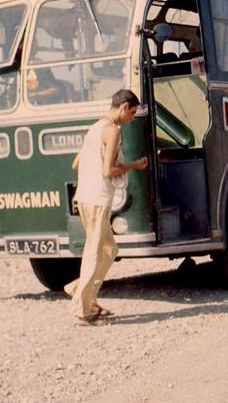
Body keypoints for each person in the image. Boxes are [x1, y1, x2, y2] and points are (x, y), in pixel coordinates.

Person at [65, 89, 149, 326]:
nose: (132, 118)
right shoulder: (112, 130)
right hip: (97, 198)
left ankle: (81, 291)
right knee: (94, 250)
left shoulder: (95, 128)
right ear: (123, 107)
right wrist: (134, 165)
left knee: (109, 250)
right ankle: (81, 309)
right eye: (132, 113)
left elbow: (76, 162)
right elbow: (108, 171)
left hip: (85, 197)